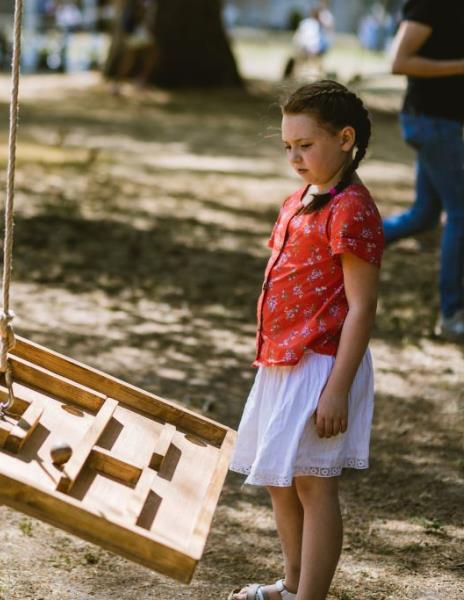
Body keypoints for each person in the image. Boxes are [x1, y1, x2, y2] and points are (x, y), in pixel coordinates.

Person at [228, 80, 384, 600]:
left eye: (305, 145)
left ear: (345, 139)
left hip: (322, 364)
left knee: (314, 484)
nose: (294, 157)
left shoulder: (352, 208)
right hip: (282, 360)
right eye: (287, 146)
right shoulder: (298, 200)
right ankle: (293, 584)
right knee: (280, 478)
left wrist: (337, 388)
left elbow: (362, 307)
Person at [383, 0, 464, 341]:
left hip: (443, 124)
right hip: (430, 122)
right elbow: (399, 61)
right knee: (461, 214)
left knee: (424, 215)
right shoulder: (432, 3)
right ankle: (452, 315)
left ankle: (344, 245)